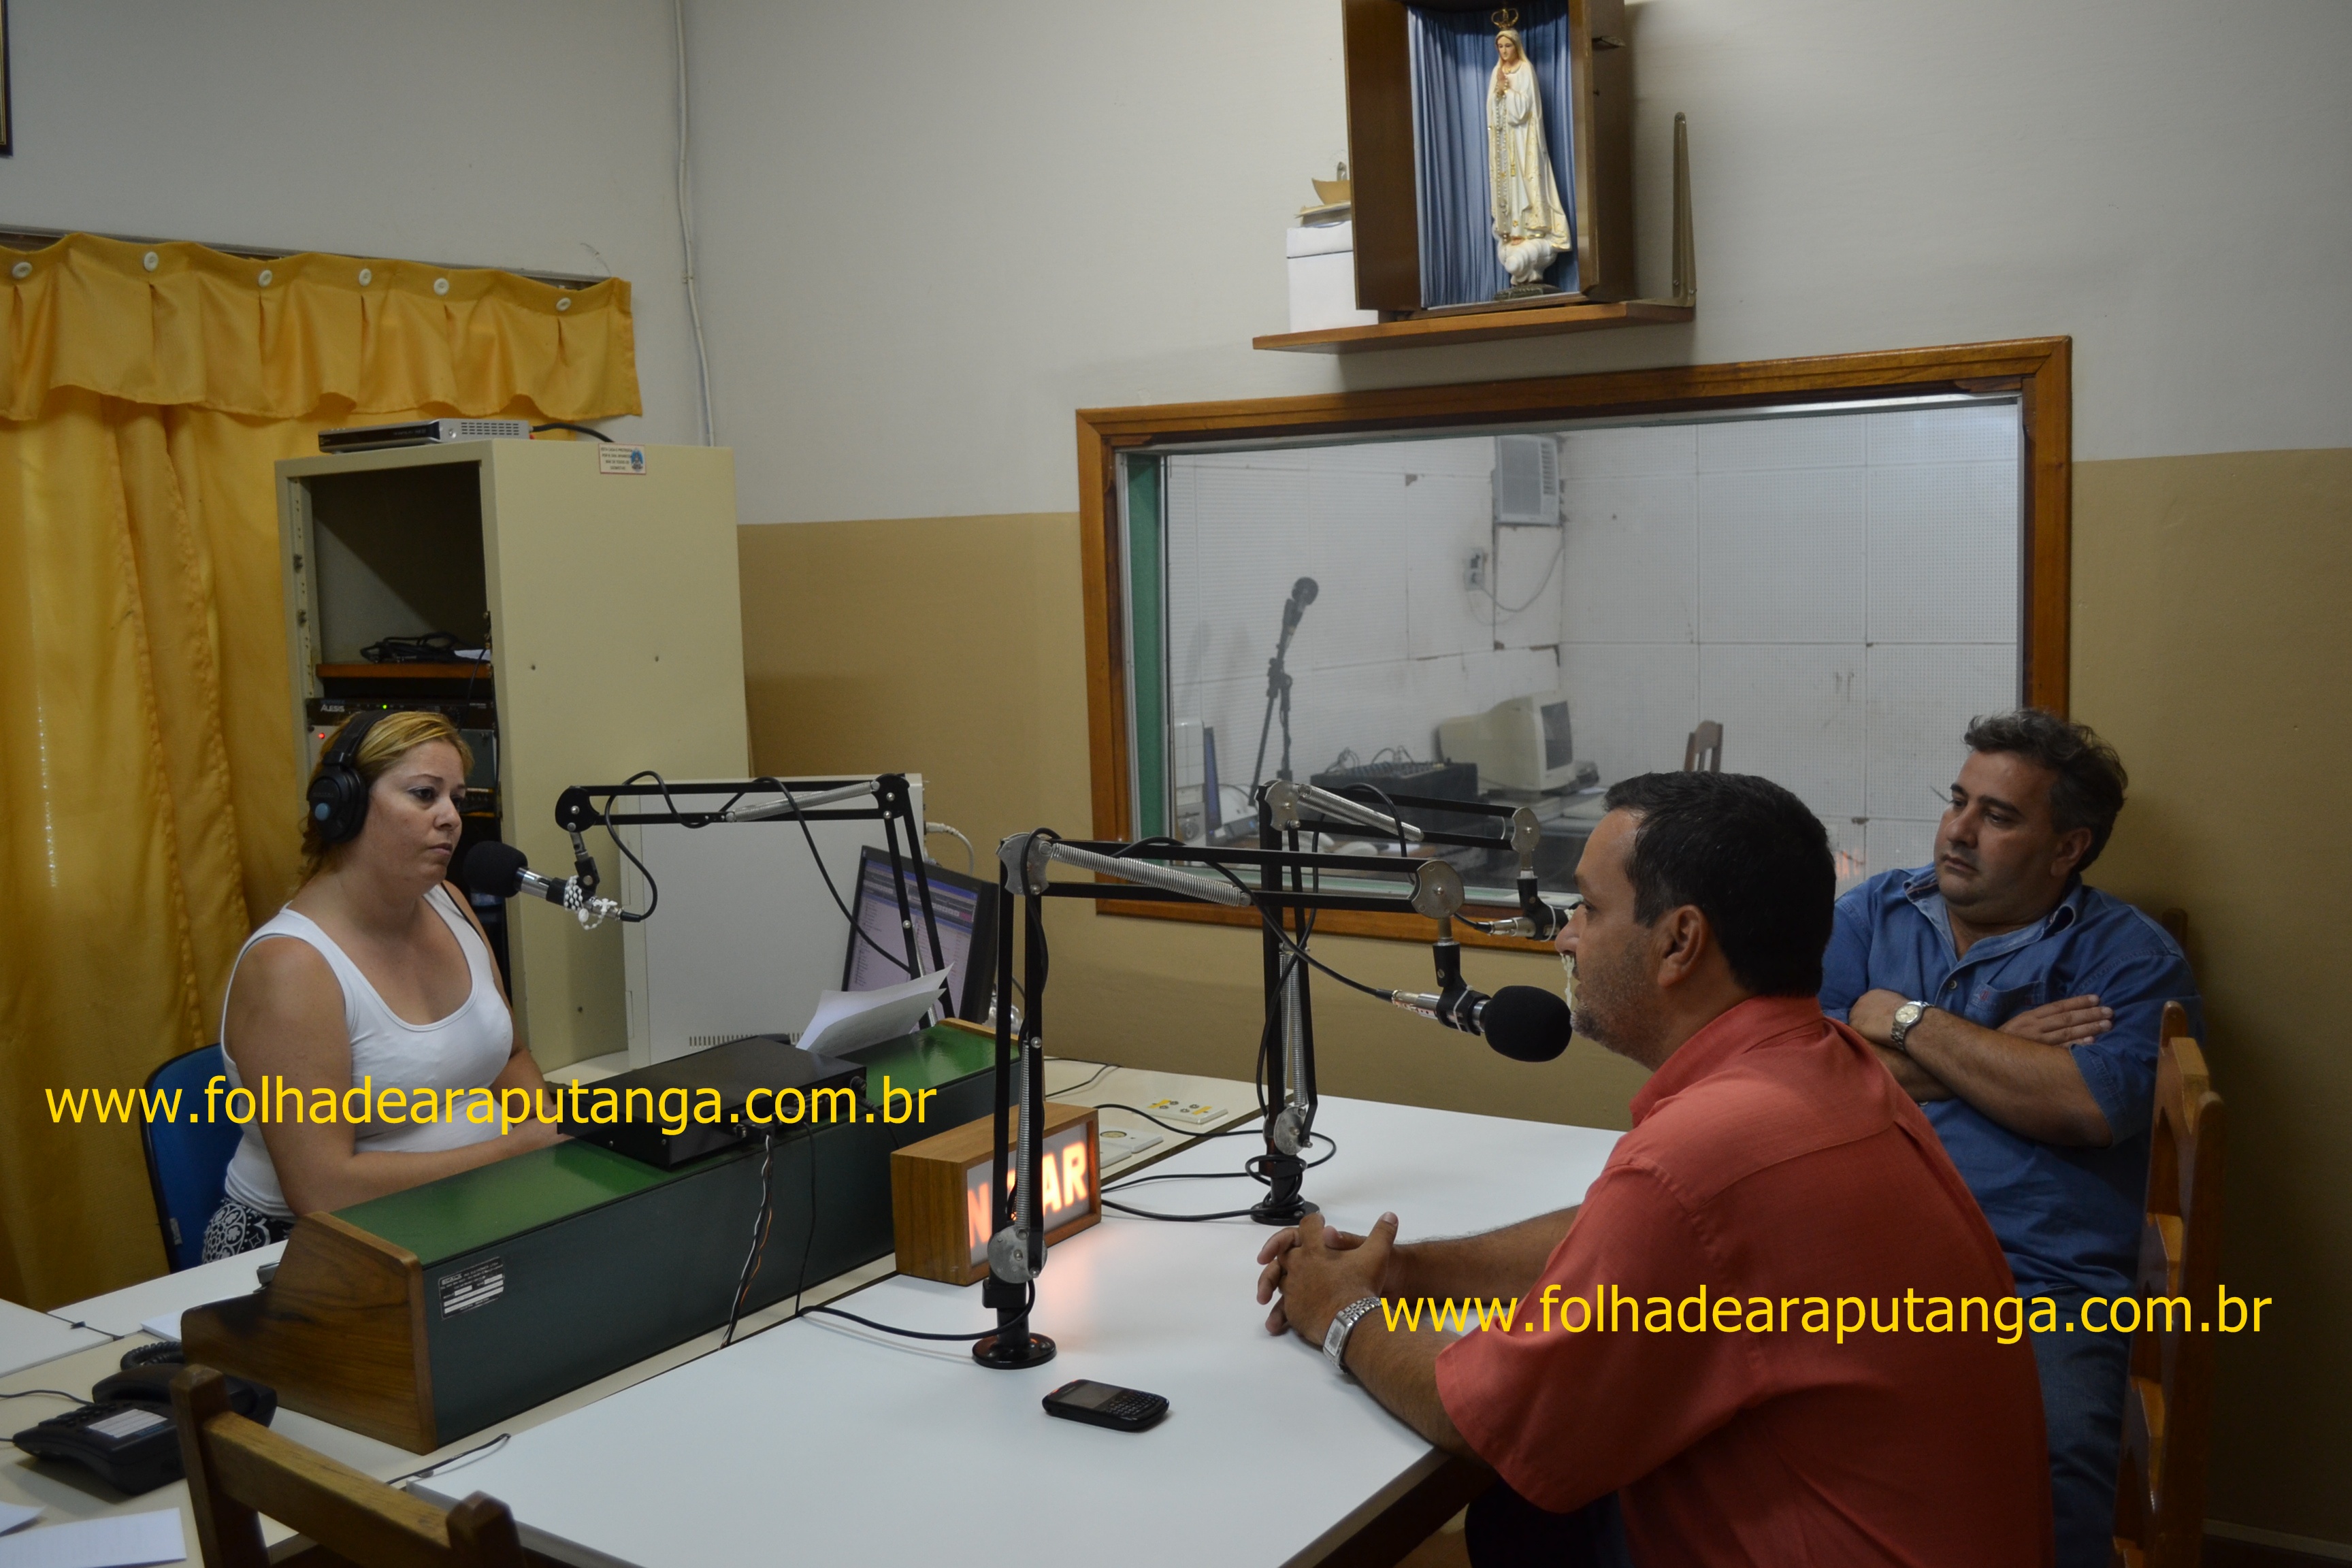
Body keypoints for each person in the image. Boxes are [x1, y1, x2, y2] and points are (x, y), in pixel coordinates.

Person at [1257, 772, 2052, 1567]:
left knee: (1515, 1514)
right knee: (1522, 1526)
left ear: (1680, 942)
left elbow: (1493, 1420)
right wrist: (1409, 1270)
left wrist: (1342, 1312)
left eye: (1590, 909)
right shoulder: (1828, 1065)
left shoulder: (1700, 1158)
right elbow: (1649, 1234)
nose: (1567, 937)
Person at [1820, 709, 2199, 1568]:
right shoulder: (1873, 912)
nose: (1958, 831)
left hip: (2043, 1284)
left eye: (1997, 816)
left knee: (2047, 1462)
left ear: (2068, 848)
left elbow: (2086, 1107)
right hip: (1853, 1257)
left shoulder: (2132, 961)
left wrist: (1908, 1021)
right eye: (1957, 801)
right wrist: (2001, 1052)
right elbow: (1805, 1077)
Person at [202, 710, 562, 1260]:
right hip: (306, 1250)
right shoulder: (291, 967)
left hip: (461, 1213)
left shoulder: (450, 904)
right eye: (424, 795)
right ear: (342, 806)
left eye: (457, 799)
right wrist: (510, 1153)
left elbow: (510, 1056)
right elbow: (323, 1189)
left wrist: (544, 1141)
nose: (451, 818)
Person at [1488, 25, 1571, 289]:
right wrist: (1498, 92)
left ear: (1516, 46)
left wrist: (1507, 91)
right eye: (1500, 47)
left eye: (1508, 46)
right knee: (1509, 187)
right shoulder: (1497, 72)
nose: (1504, 51)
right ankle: (1514, 232)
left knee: (1524, 183)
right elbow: (1492, 108)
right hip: (1505, 142)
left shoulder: (1525, 70)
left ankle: (1531, 230)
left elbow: (1525, 108)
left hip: (1524, 140)